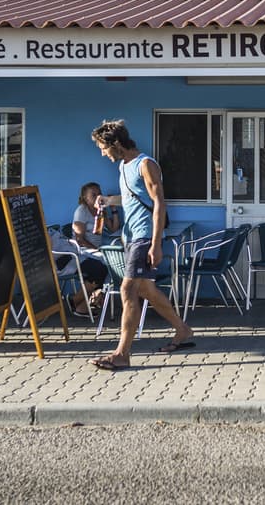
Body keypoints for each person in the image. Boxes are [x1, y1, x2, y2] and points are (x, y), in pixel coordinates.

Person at [87, 119, 193, 371]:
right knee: (146, 290)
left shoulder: (146, 164)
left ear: (116, 143)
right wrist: (108, 200)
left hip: (145, 237)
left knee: (127, 290)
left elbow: (159, 203)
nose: (102, 153)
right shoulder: (124, 166)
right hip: (130, 236)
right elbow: (131, 199)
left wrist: (156, 244)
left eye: (104, 148)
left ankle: (122, 353)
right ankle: (183, 329)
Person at [72, 181, 120, 250]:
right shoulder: (81, 211)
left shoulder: (100, 209)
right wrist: (98, 251)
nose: (98, 197)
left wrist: (113, 208)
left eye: (99, 194)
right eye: (94, 195)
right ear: (86, 198)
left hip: (98, 246)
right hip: (84, 250)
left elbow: (113, 229)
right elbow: (80, 240)